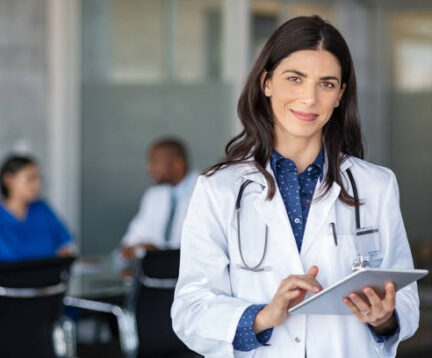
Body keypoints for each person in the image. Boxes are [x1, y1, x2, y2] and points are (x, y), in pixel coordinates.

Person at [171, 16, 419, 358]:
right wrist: (262, 317)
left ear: (340, 95)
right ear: (266, 83)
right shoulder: (219, 189)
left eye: (327, 84)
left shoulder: (376, 185)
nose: (309, 98)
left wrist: (384, 318)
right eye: (295, 79)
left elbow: (404, 298)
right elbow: (190, 310)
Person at [120, 138, 198, 259]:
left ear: (177, 164)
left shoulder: (204, 191)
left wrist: (159, 252)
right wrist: (137, 248)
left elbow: (200, 247)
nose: (150, 169)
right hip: (154, 273)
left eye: (155, 163)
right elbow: (130, 242)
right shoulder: (153, 195)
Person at [0, 155, 74, 262]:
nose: (37, 185)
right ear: (9, 180)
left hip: (48, 276)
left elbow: (66, 245)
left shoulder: (42, 209)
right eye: (30, 178)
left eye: (39, 179)